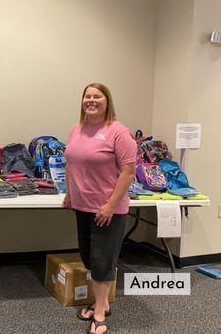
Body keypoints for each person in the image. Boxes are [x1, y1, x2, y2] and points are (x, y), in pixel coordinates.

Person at [63, 83, 136, 334]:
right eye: (87, 96)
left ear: (107, 102)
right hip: (82, 205)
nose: (91, 100)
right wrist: (69, 193)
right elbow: (71, 164)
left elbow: (128, 173)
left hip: (107, 208)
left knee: (103, 260)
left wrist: (110, 205)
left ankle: (101, 312)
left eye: (97, 96)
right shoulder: (77, 129)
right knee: (89, 256)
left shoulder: (118, 131)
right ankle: (99, 302)